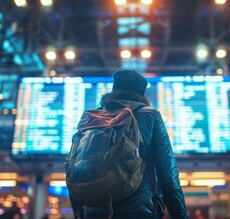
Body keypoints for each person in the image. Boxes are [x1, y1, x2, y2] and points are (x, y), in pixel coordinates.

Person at [70, 69, 188, 219]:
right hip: (139, 209)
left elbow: (75, 167)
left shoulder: (92, 117)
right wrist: (180, 215)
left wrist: (79, 212)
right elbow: (168, 173)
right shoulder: (150, 115)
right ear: (142, 94)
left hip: (93, 210)